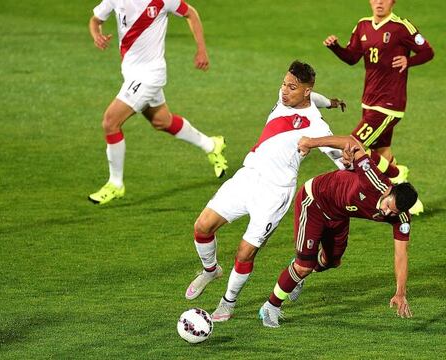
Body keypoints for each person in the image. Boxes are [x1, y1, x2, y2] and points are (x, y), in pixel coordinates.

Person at [184, 61, 346, 322]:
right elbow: (314, 96)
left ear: (304, 91)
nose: (284, 91)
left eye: (292, 87)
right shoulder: (287, 100)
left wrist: (355, 167)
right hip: (247, 177)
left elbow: (340, 158)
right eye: (283, 84)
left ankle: (228, 303)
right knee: (202, 227)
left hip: (274, 193)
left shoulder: (317, 127)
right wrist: (330, 101)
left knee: (245, 252)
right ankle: (211, 270)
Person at [259, 135, 417, 328]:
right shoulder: (374, 179)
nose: (386, 212)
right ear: (388, 191)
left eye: (393, 212)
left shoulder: (401, 218)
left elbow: (401, 254)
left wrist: (400, 292)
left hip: (339, 216)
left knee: (331, 261)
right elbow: (349, 142)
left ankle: (296, 273)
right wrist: (311, 142)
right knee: (304, 266)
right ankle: (271, 306)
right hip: (314, 201)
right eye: (387, 205)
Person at [87, 0, 228, 205]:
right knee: (162, 121)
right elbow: (95, 20)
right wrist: (96, 34)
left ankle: (115, 184)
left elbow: (191, 14)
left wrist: (201, 50)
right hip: (131, 74)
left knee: (110, 122)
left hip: (150, 75)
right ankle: (211, 145)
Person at [323, 0, 434, 214]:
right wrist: (335, 47)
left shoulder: (402, 27)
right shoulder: (363, 25)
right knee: (381, 151)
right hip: (369, 101)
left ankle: (395, 176)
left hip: (390, 104)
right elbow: (352, 57)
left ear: (393, 2)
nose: (379, 2)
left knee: (354, 144)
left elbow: (427, 52)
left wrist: (407, 61)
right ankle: (405, 193)